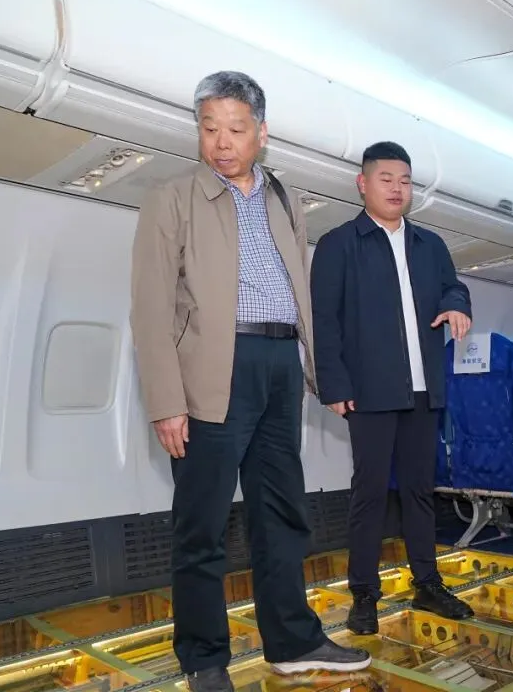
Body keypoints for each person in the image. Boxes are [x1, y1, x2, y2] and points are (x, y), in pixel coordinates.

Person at [130, 70, 370, 689]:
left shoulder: (284, 199)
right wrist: (166, 400)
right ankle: (204, 659)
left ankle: (292, 640)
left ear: (261, 133)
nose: (221, 142)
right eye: (209, 128)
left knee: (283, 514)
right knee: (202, 526)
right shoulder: (171, 197)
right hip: (213, 368)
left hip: (280, 363)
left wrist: (317, 371)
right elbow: (151, 307)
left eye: (235, 129)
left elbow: (301, 293)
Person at [310, 141, 476, 635]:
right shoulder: (339, 244)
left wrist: (457, 303)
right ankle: (364, 593)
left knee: (421, 491)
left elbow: (453, 286)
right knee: (370, 493)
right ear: (363, 184)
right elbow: (324, 321)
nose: (397, 189)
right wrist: (333, 384)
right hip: (370, 390)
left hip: (424, 390)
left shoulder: (430, 245)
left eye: (405, 181)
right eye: (386, 179)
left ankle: (428, 583)